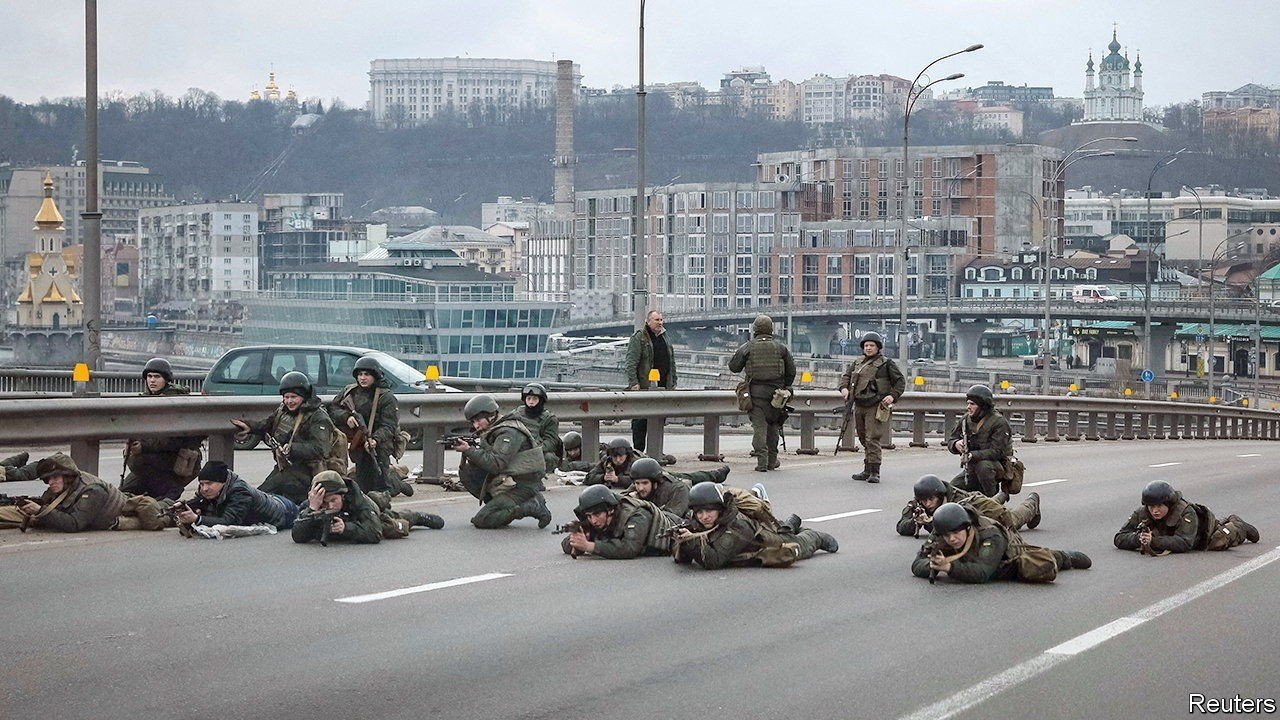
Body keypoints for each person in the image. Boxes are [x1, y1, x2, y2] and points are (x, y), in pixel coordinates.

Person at [231, 371, 341, 506]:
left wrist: (293, 448)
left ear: (304, 396)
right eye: (286, 397)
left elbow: (320, 449)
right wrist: (250, 426)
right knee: (260, 496)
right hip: (286, 468)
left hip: (308, 474)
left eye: (294, 397)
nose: (289, 401)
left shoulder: (318, 417)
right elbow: (268, 424)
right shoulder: (283, 411)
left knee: (261, 499)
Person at [912, 503, 1091, 584]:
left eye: (956, 533)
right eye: (946, 535)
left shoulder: (990, 534)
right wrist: (933, 565)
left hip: (1007, 556)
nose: (951, 539)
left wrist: (949, 567)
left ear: (967, 528)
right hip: (968, 560)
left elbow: (983, 573)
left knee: (1034, 564)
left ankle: (1064, 557)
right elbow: (917, 563)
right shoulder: (940, 530)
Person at [672, 482, 838, 569]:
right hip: (750, 539)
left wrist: (690, 541)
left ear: (720, 509)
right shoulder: (697, 523)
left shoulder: (737, 527)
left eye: (709, 511)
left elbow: (713, 560)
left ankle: (815, 535)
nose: (704, 517)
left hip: (766, 542)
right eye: (699, 513)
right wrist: (681, 540)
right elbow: (684, 559)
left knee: (800, 545)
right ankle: (790, 524)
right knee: (783, 527)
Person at [447, 394, 553, 529]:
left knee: (482, 520)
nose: (476, 425)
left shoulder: (508, 432)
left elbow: (496, 464)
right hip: (509, 480)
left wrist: (469, 450)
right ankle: (499, 505)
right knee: (467, 471)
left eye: (478, 420)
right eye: (473, 422)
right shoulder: (493, 429)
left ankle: (531, 506)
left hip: (523, 484)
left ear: (490, 415)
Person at [328, 355, 414, 498]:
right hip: (359, 441)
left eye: (367, 374)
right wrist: (346, 417)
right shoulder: (350, 392)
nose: (363, 378)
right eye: (360, 374)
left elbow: (389, 426)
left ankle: (396, 483)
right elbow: (332, 409)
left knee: (381, 484)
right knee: (363, 484)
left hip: (380, 442)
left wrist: (375, 440)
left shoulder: (385, 397)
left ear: (375, 376)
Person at [120, 357, 205, 500]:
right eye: (149, 376)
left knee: (160, 502)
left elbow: (173, 438)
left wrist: (143, 446)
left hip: (172, 463)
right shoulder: (145, 401)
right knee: (122, 497)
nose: (152, 380)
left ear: (167, 379)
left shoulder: (176, 401)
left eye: (157, 377)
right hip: (149, 466)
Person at [1114, 480, 1259, 555]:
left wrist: (1154, 541)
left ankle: (1239, 525)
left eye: (1159, 506)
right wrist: (1137, 538)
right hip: (1171, 536)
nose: (1155, 511)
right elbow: (1119, 537)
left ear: (1168, 504)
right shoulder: (1142, 512)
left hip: (1205, 535)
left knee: (1219, 542)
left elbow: (1185, 543)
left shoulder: (1185, 512)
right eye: (1151, 507)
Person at [728, 314, 797, 472]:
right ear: (771, 329)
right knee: (773, 426)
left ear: (755, 329)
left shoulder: (748, 347)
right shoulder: (780, 348)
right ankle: (772, 461)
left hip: (756, 395)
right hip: (777, 396)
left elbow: (734, 367)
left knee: (759, 428)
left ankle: (762, 462)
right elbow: (791, 371)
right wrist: (785, 387)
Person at [838, 331, 905, 484]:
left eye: (871, 345)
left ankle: (875, 471)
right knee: (862, 436)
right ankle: (867, 468)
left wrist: (892, 396)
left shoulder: (886, 363)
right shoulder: (858, 362)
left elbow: (900, 381)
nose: (868, 348)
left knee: (872, 437)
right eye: (866, 345)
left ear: (877, 347)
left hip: (875, 404)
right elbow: (846, 377)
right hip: (859, 403)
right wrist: (844, 389)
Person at [896, 474, 1040, 537]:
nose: (927, 504)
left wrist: (932, 521)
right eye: (923, 500)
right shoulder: (920, 503)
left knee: (1011, 520)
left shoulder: (960, 502)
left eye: (931, 499)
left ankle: (1032, 502)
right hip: (977, 501)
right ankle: (1001, 496)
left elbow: (963, 527)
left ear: (940, 495)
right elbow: (901, 526)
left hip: (978, 506)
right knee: (994, 501)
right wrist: (915, 522)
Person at [561, 485, 682, 559]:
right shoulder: (594, 519)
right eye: (589, 516)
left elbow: (629, 548)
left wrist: (589, 546)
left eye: (597, 515)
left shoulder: (636, 514)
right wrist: (579, 540)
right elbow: (566, 544)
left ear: (610, 510)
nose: (593, 521)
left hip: (675, 530)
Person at [174, 461, 299, 531]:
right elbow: (198, 502)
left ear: (222, 482)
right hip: (268, 498)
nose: (204, 489)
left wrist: (196, 519)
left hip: (285, 512)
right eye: (201, 484)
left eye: (209, 483)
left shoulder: (240, 493)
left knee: (302, 513)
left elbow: (229, 521)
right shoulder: (210, 490)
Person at [624, 309, 677, 459]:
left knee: (659, 419)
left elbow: (671, 361)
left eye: (661, 320)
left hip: (662, 387)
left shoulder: (665, 337)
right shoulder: (639, 338)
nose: (660, 322)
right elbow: (631, 362)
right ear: (648, 321)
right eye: (657, 320)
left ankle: (655, 451)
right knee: (640, 421)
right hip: (644, 387)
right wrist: (634, 383)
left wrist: (673, 382)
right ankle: (638, 452)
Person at [947, 384, 1013, 497]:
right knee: (951, 490)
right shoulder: (965, 420)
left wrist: (973, 455)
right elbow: (951, 439)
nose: (968, 407)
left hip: (994, 466)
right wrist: (956, 444)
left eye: (972, 404)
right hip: (971, 469)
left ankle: (993, 501)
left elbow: (997, 451)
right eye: (968, 403)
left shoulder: (999, 423)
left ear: (983, 406)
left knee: (983, 467)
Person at [291, 471, 385, 544]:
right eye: (324, 502)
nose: (330, 506)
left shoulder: (356, 499)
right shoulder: (314, 502)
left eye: (333, 500)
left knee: (387, 520)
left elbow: (375, 532)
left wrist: (346, 528)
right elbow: (297, 536)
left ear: (342, 496)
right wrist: (312, 509)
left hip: (375, 507)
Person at [624, 457, 729, 517]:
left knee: (693, 478)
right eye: (637, 483)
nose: (640, 488)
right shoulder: (639, 485)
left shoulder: (678, 490)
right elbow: (619, 500)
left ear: (655, 482)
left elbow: (672, 517)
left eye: (644, 483)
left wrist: (641, 504)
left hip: (687, 488)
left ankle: (716, 476)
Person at [511, 383, 561, 474]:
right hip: (518, 450)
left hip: (538, 451)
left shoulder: (549, 419)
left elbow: (551, 441)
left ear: (541, 400)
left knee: (549, 458)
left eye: (534, 399)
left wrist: (534, 450)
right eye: (528, 398)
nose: (531, 402)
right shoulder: (516, 414)